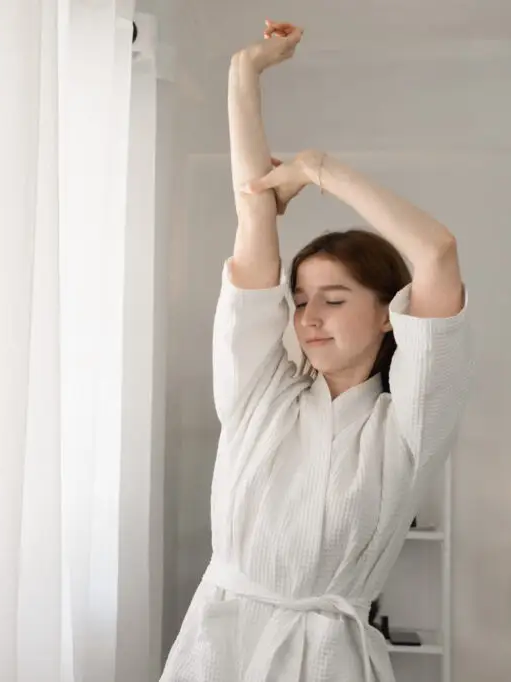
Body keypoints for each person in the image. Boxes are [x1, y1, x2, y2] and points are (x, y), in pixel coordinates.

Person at [159, 19, 474, 682]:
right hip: (218, 648)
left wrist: (319, 169)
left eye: (334, 299)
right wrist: (244, 72)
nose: (309, 317)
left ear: (388, 315)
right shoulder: (260, 394)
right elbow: (255, 212)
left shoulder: (407, 426)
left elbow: (437, 253)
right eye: (301, 299)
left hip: (327, 660)